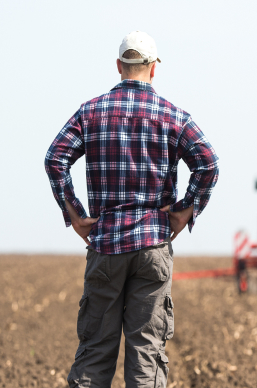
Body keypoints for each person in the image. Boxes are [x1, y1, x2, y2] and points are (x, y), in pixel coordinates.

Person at [44, 31, 219, 387]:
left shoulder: (90, 112)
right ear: (154, 69)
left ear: (119, 66)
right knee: (147, 355)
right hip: (153, 245)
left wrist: (75, 214)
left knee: (94, 353)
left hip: (105, 245)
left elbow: (55, 158)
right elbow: (209, 164)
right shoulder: (174, 116)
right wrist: (185, 211)